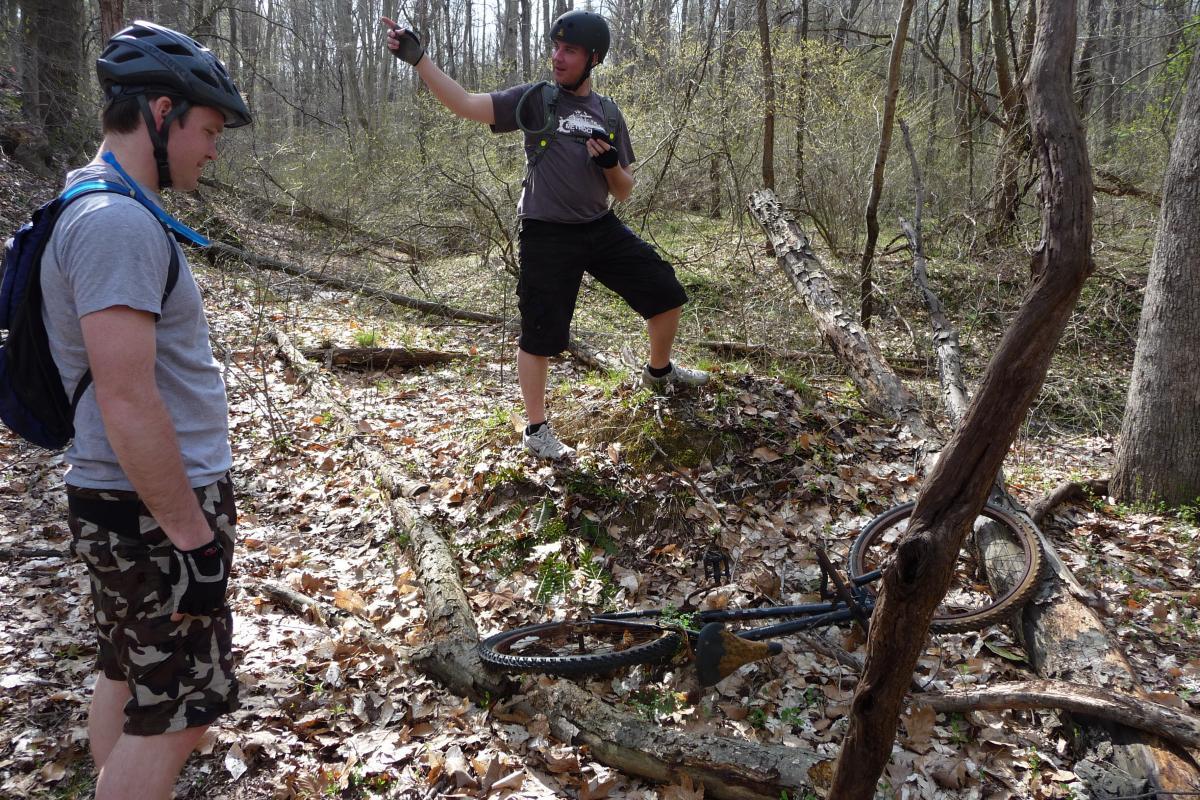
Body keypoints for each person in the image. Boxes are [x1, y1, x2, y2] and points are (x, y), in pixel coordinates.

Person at [39, 21, 251, 799]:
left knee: (128, 673)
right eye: (208, 128)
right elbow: (129, 399)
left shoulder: (92, 203)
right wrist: (194, 541)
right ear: (161, 113)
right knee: (184, 708)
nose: (213, 148)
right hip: (152, 510)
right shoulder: (118, 224)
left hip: (125, 502)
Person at [382, 9, 708, 460]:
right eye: (555, 47)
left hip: (599, 226)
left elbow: (626, 191)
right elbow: (465, 103)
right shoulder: (537, 99)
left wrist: (610, 164)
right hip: (545, 232)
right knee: (541, 334)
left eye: (569, 50)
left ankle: (659, 373)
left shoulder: (608, 112)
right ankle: (536, 430)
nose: (558, 57)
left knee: (666, 292)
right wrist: (421, 61)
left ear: (593, 58)